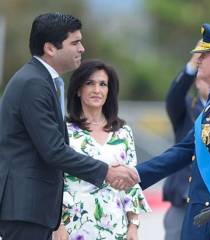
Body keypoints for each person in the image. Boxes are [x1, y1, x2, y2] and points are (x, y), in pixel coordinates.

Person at [0, 13, 137, 239]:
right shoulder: (34, 83)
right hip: (25, 208)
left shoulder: (42, 80)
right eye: (75, 42)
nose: (82, 48)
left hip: (32, 209)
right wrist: (107, 172)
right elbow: (53, 150)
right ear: (50, 48)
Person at [136, 23, 210, 240]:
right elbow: (186, 148)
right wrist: (135, 175)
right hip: (201, 212)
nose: (199, 60)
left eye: (204, 55)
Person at [51, 59, 151, 240]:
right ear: (78, 90)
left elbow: (131, 184)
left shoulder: (123, 132)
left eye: (103, 84)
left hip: (115, 226)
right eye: (90, 83)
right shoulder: (64, 130)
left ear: (109, 91)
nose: (97, 90)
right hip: (73, 227)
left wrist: (133, 226)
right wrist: (58, 224)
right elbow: (55, 180)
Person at [163, 44, 209, 240]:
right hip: (183, 197)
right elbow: (174, 96)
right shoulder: (186, 108)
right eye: (200, 74)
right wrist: (193, 63)